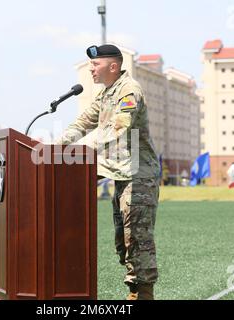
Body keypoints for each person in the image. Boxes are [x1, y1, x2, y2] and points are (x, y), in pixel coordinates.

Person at [56, 44, 160, 300]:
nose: (91, 68)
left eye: (95, 64)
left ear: (113, 66)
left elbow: (118, 127)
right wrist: (57, 146)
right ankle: (135, 291)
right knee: (123, 237)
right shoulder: (106, 94)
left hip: (138, 175)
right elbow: (84, 121)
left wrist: (78, 151)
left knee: (136, 235)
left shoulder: (129, 91)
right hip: (119, 172)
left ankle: (142, 295)